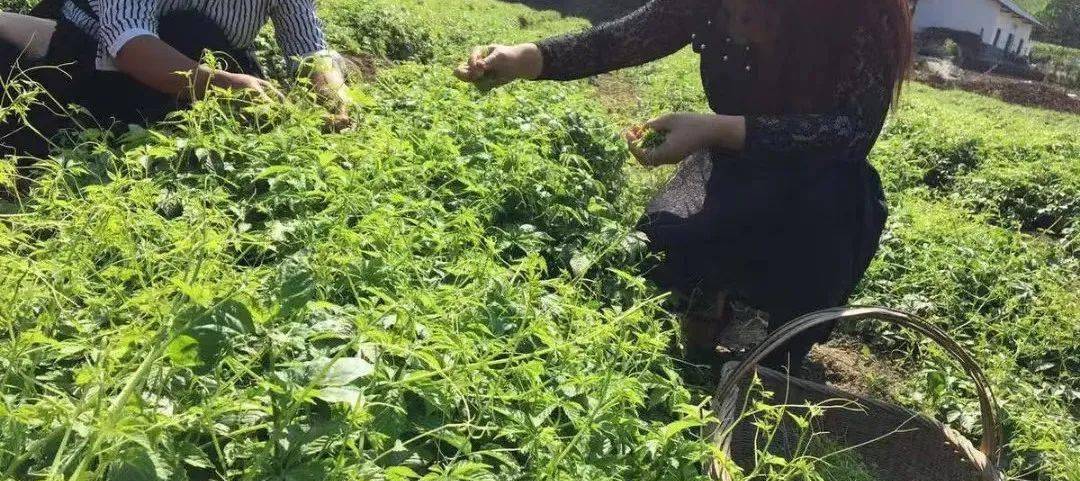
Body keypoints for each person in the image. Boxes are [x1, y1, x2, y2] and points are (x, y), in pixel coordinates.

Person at [455, 0, 912, 369]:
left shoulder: (861, 12)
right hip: (738, 168)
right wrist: (528, 57)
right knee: (663, 240)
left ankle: (773, 359)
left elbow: (851, 132)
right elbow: (629, 36)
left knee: (795, 303)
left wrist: (714, 129)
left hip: (822, 185)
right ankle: (703, 332)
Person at [1, 0, 349, 158]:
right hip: (91, 49)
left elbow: (310, 50)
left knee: (194, 32)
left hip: (203, 63)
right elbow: (128, 40)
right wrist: (222, 85)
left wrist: (335, 100)